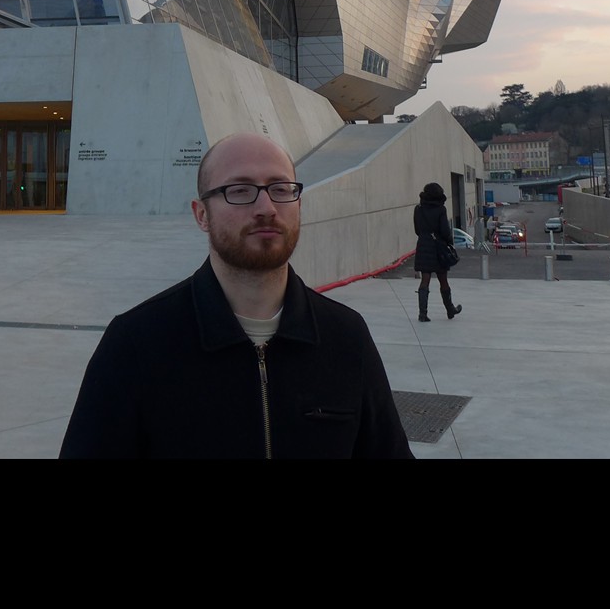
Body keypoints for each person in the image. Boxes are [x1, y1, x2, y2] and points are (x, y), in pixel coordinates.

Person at [60, 132, 412, 459]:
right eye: (240, 190)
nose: (266, 207)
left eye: (280, 188)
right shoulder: (135, 344)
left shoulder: (346, 336)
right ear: (202, 215)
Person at [412, 181, 461, 322]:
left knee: (425, 279)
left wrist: (425, 236)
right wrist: (449, 241)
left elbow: (417, 230)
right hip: (438, 246)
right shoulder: (440, 209)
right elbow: (445, 230)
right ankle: (450, 309)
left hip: (423, 244)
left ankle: (423, 313)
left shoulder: (418, 208)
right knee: (443, 279)